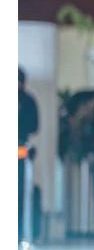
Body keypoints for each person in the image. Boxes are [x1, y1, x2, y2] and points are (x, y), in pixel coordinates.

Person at [18, 68, 39, 240]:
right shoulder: (29, 100)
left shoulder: (28, 101)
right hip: (21, 149)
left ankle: (19, 235)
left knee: (20, 195)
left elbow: (34, 126)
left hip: (21, 151)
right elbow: (34, 126)